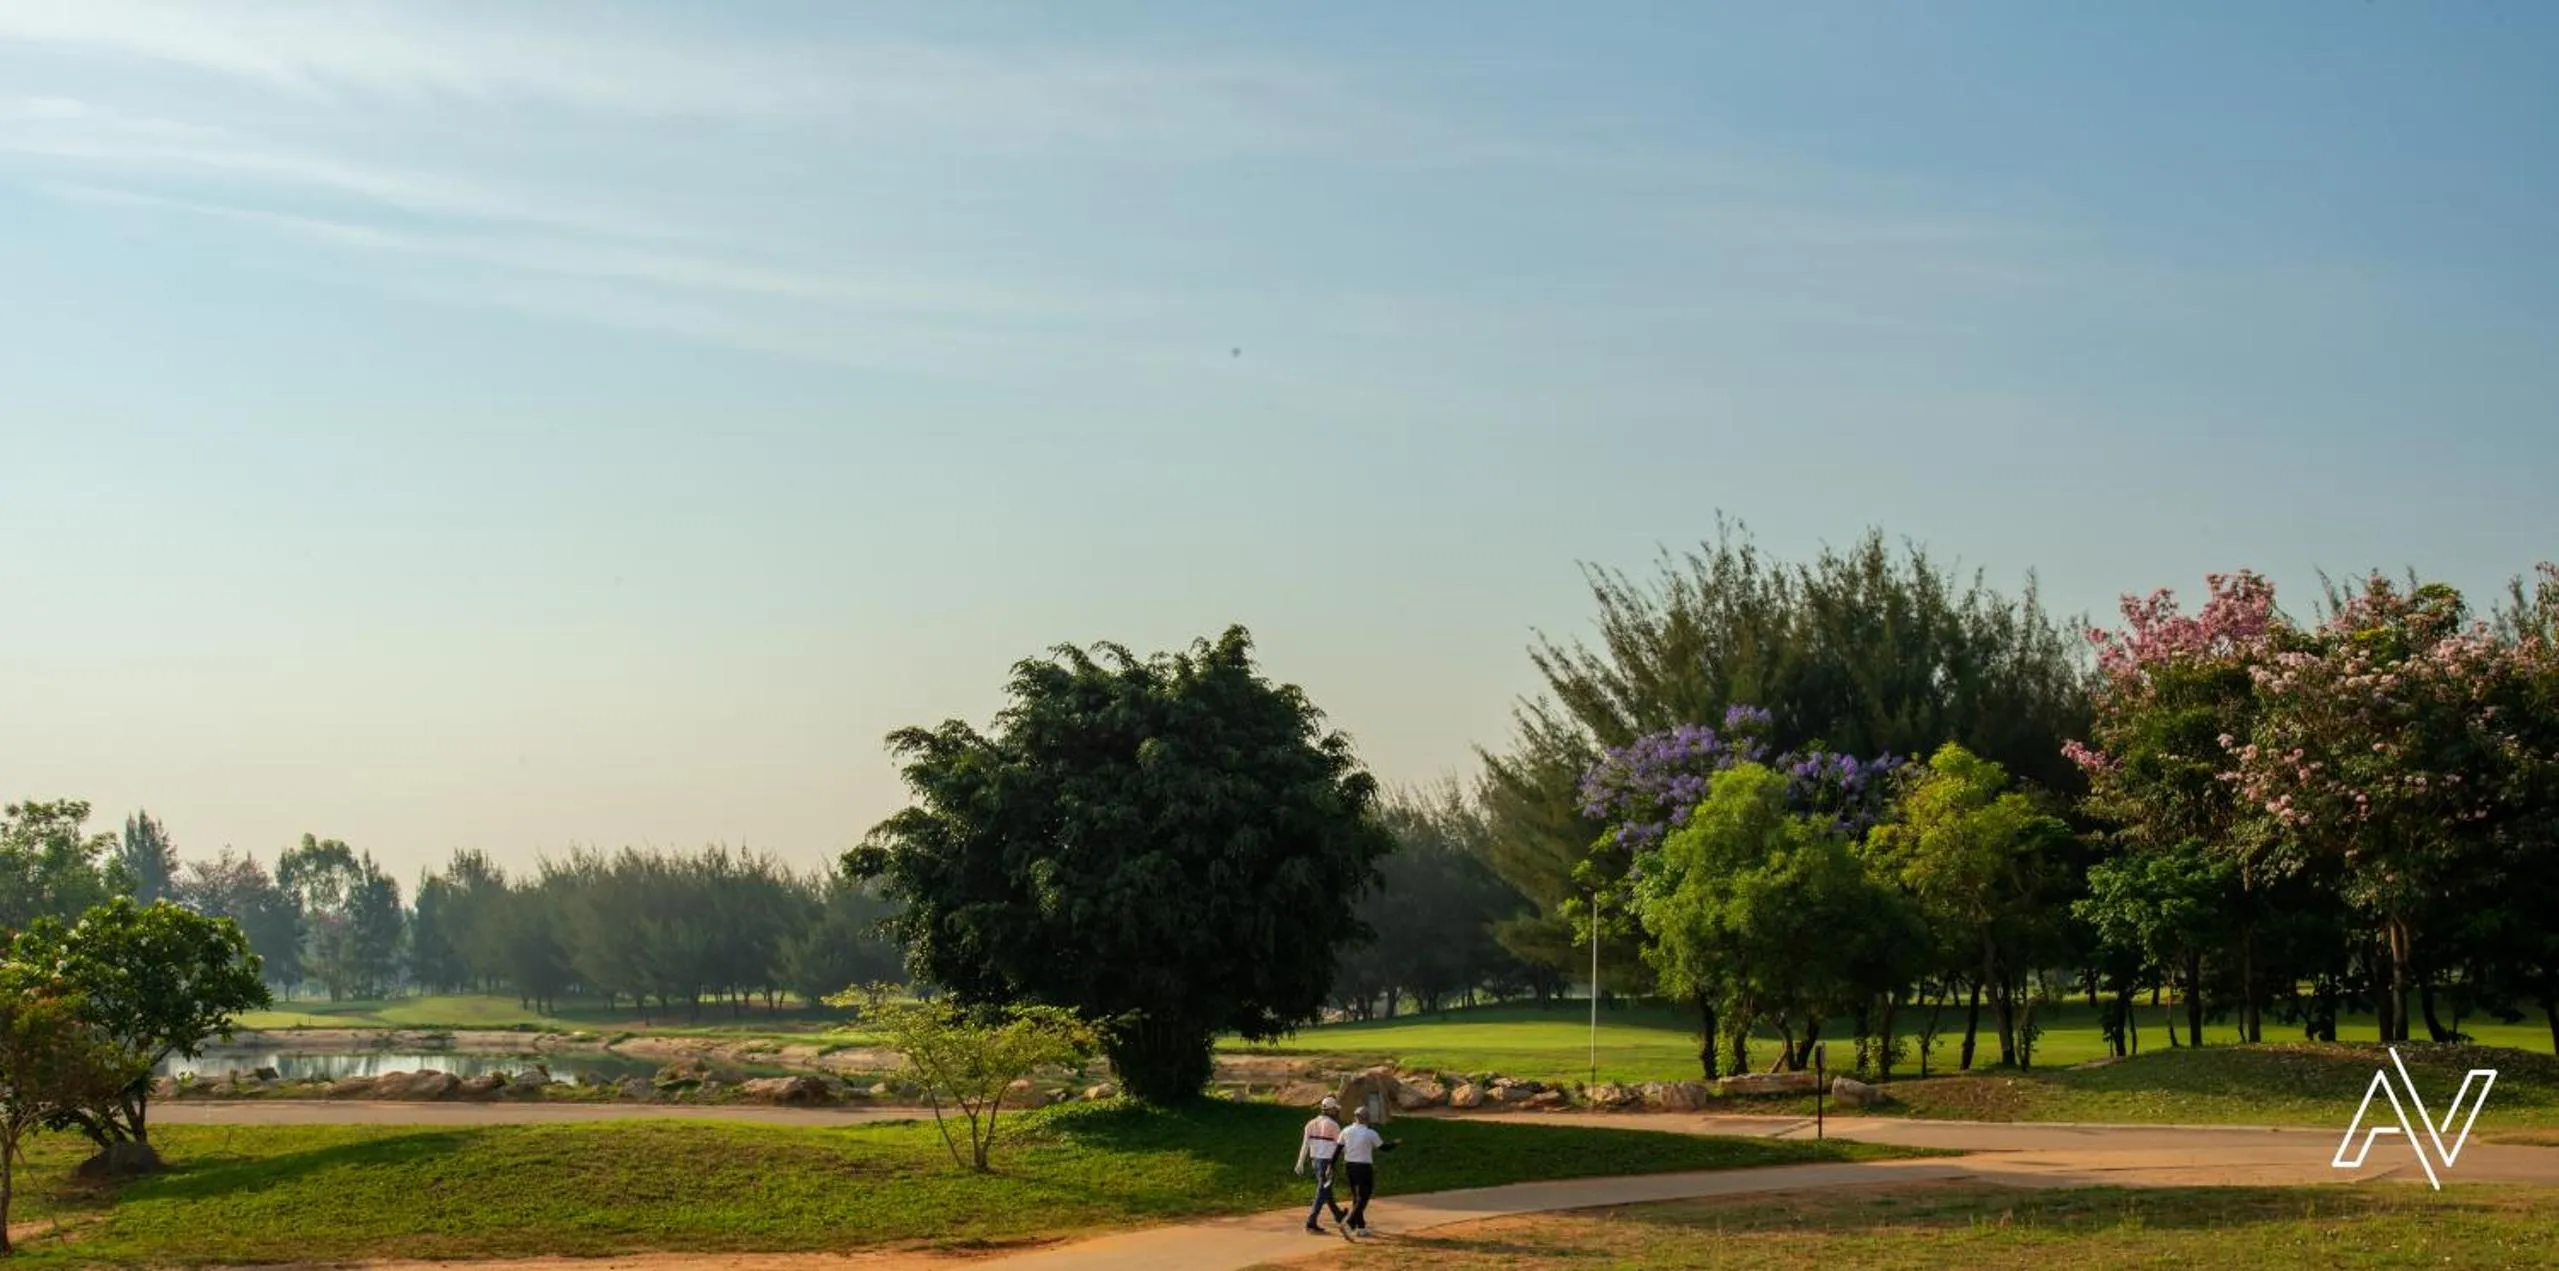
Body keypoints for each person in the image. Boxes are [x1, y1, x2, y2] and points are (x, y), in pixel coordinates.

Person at [1336, 1104, 1401, 1238]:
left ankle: (1361, 1228)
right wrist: (1395, 1143)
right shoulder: (1370, 1133)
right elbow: (1384, 1148)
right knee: (1363, 1197)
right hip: (1363, 1167)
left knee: (1356, 1197)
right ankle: (1349, 1223)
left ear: (1355, 1118)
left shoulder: (1346, 1130)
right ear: (1367, 1119)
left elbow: (1338, 1149)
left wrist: (1331, 1165)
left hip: (1349, 1166)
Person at [1292, 1095, 1348, 1233]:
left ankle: (1338, 1215)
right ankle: (1311, 1222)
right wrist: (1349, 1158)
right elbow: (1341, 1146)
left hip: (1315, 1161)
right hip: (1327, 1162)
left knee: (1325, 1190)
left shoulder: (1311, 1123)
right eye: (1335, 1109)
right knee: (1322, 1190)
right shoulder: (1333, 1125)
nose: (1337, 1112)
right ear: (1330, 1110)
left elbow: (1305, 1144)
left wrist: (1300, 1162)